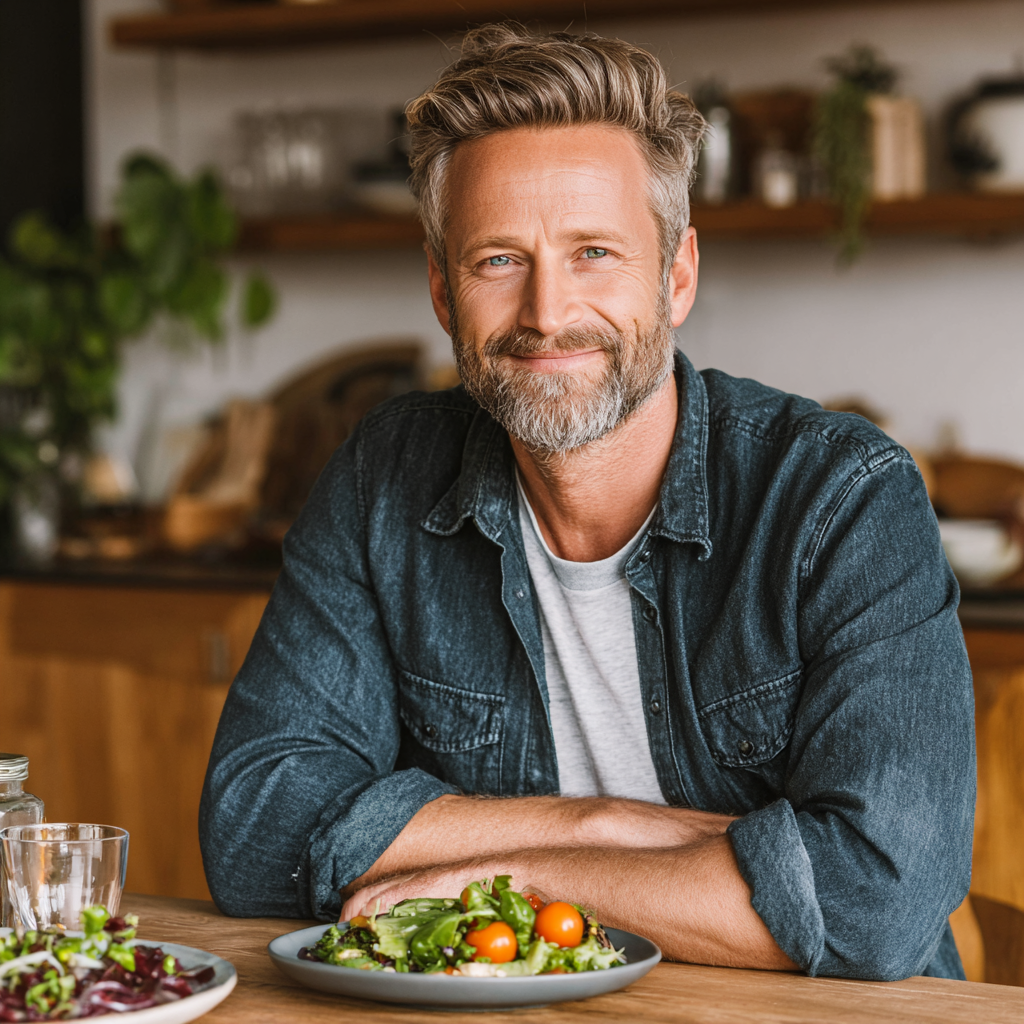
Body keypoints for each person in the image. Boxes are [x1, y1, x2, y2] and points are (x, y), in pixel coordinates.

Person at [199, 24, 974, 981]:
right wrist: (606, 827)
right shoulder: (382, 476)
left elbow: (874, 904)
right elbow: (254, 825)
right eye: (497, 261)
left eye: (595, 252)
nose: (545, 313)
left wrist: (510, 876)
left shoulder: (841, 500)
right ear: (442, 290)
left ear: (677, 274)